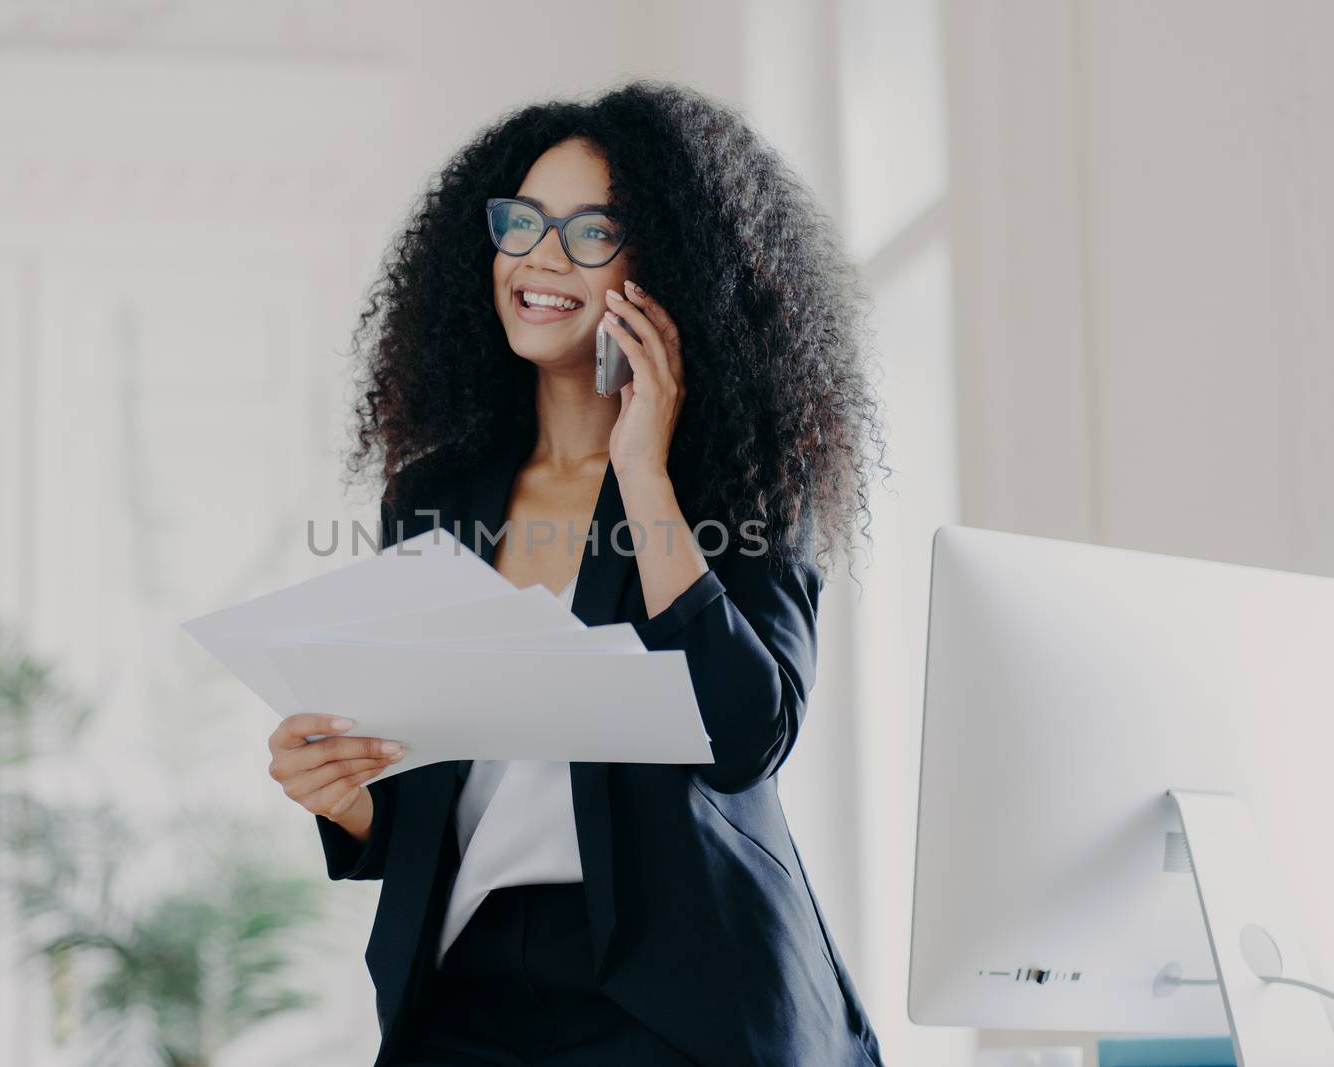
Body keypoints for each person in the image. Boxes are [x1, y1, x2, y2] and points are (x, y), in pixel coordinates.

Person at [267, 80, 889, 1066]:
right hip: (468, 985)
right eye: (522, 223)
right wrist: (345, 795)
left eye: (589, 231)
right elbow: (436, 780)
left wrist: (643, 472)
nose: (539, 257)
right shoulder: (438, 493)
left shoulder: (739, 484)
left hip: (678, 991)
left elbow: (744, 735)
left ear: (666, 269)